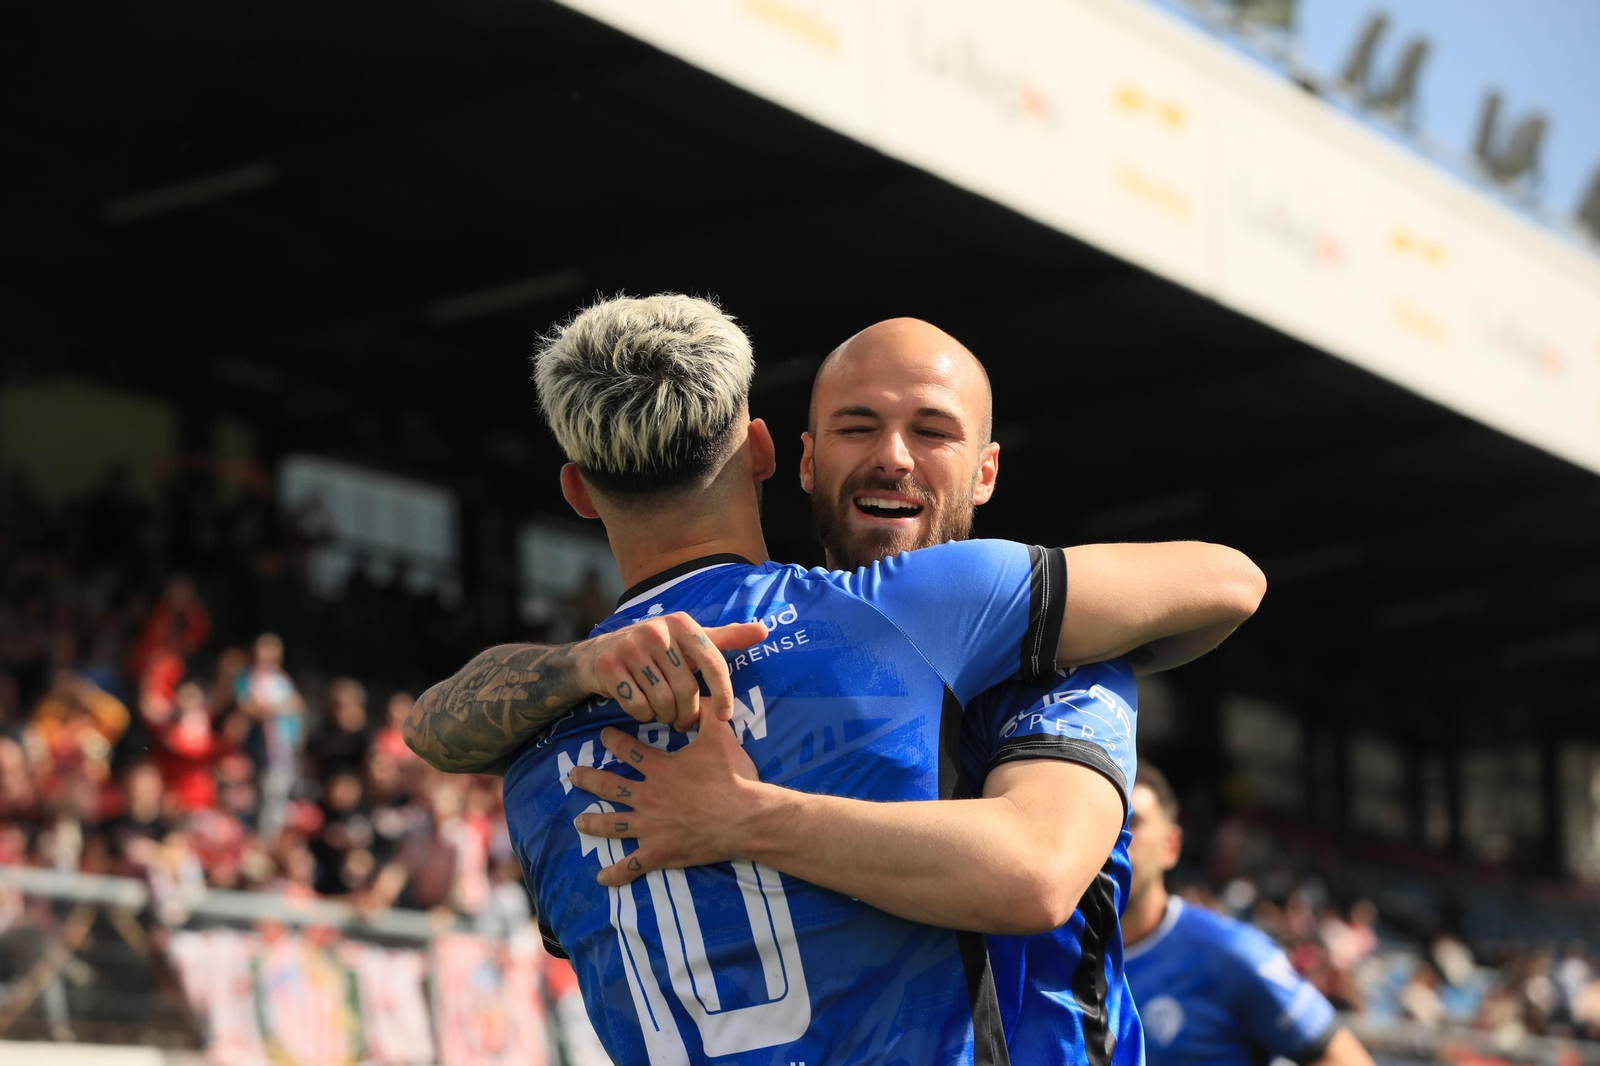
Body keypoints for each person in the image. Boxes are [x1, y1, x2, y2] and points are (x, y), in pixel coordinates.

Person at [408, 294, 1263, 1063]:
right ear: (778, 454)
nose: (893, 457)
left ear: (577, 492)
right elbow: (1226, 583)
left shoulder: (529, 761)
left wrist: (726, 799)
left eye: (932, 431)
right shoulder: (905, 615)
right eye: (860, 427)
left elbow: (433, 727)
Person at [1122, 765, 1375, 1066]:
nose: (1116, 837)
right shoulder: (1058, 957)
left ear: (1171, 846)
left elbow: (1344, 1059)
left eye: (1133, 823)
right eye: (1106, 820)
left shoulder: (1230, 952)